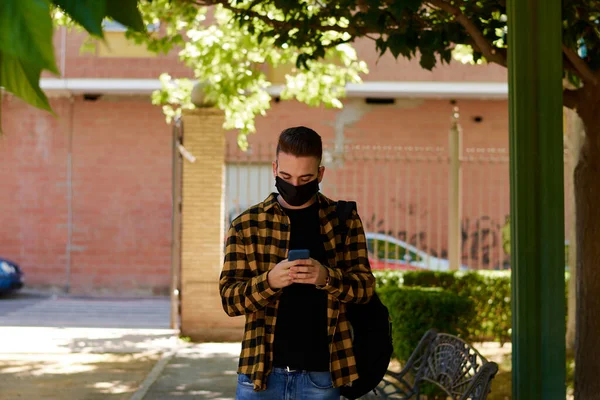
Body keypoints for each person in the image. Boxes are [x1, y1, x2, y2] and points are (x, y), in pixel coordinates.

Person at [219, 126, 375, 399]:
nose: (295, 186)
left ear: (320, 174)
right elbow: (229, 301)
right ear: (274, 169)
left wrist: (326, 277)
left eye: (306, 178)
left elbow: (364, 289)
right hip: (259, 375)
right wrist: (269, 282)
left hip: (322, 376)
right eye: (286, 176)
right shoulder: (247, 225)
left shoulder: (343, 220)